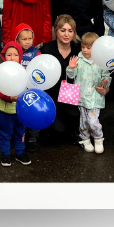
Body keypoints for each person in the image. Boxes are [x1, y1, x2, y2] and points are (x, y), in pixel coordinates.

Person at [36, 15, 84, 145]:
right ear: (56, 31)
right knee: (58, 131)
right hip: (51, 95)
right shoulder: (46, 49)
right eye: (62, 30)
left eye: (70, 30)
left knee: (73, 118)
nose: (66, 34)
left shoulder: (79, 49)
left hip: (70, 96)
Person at [73, 31, 112, 153]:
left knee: (93, 121)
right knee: (83, 122)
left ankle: (98, 138)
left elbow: (107, 76)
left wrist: (106, 82)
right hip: (81, 97)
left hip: (95, 97)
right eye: (83, 47)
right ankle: (85, 139)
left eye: (88, 48)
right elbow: (70, 75)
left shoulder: (100, 62)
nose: (85, 50)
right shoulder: (78, 60)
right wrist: (71, 68)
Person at [0, 42, 30, 166]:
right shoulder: (1, 71)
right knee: (5, 132)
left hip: (20, 111)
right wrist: (10, 98)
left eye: (15, 55)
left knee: (20, 132)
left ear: (20, 57)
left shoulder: (24, 72)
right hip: (5, 111)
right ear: (4, 57)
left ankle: (20, 153)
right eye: (9, 55)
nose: (12, 57)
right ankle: (5, 154)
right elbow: (0, 91)